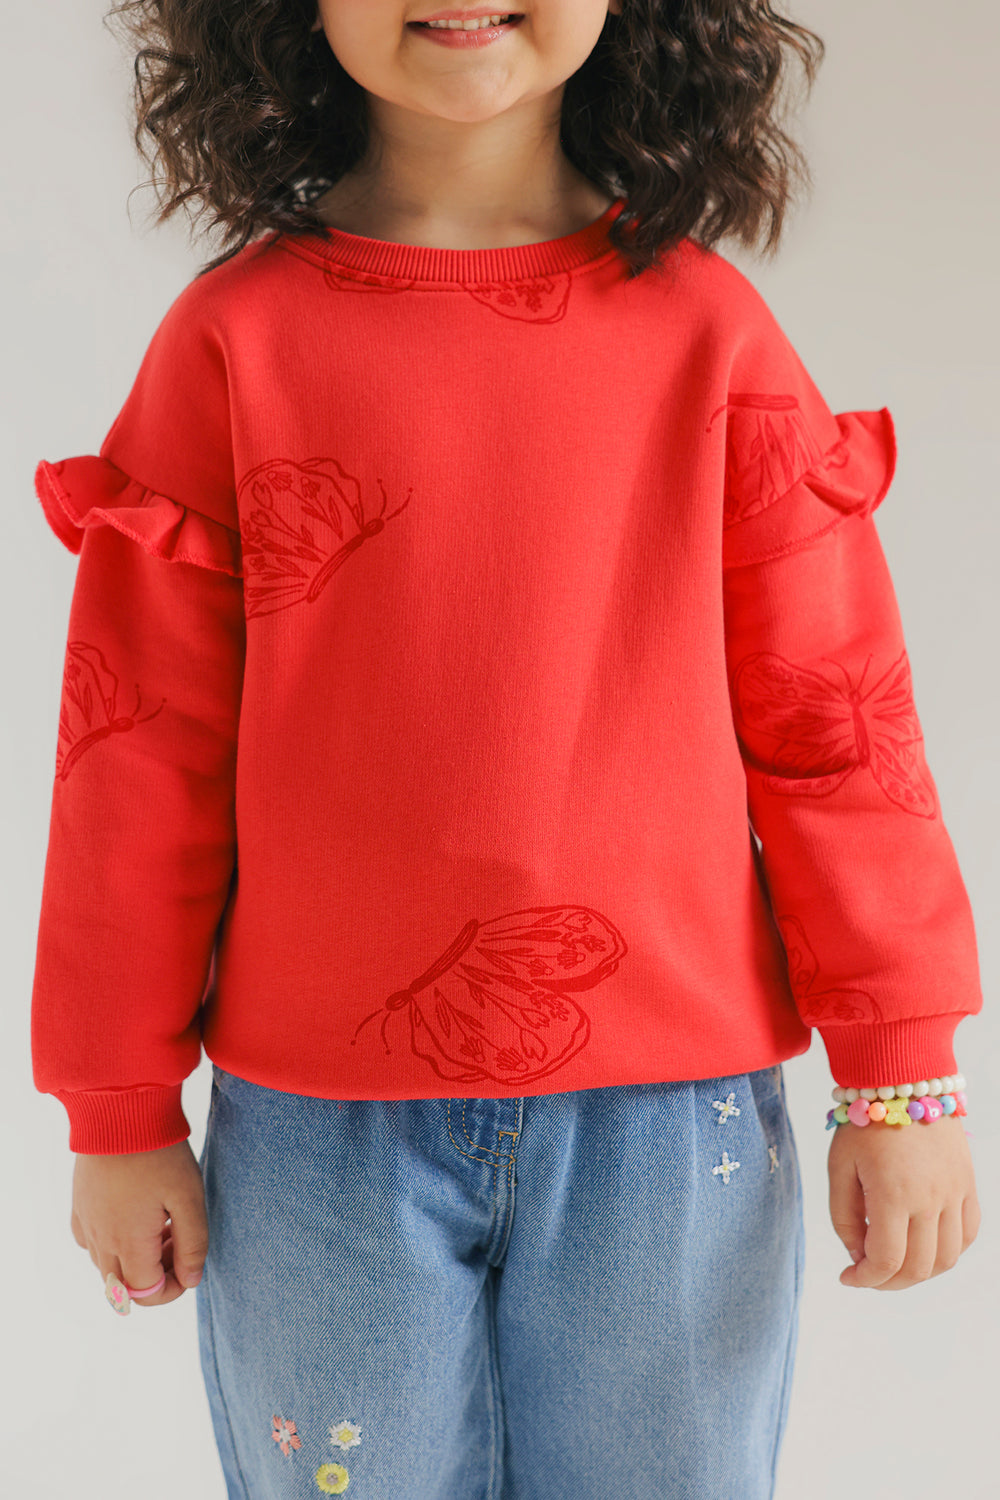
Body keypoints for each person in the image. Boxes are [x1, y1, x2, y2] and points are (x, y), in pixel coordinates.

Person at [30, 2, 983, 1497]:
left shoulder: (710, 332)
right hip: (319, 1136)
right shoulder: (233, 339)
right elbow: (135, 761)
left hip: (672, 1124)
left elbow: (838, 729)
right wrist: (118, 1112)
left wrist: (901, 1080)